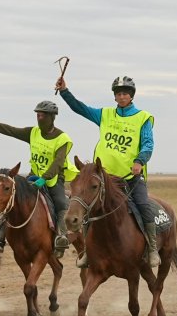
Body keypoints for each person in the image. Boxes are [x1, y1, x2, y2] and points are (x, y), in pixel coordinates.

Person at [55, 74, 157, 268]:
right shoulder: (105, 115)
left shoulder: (143, 118)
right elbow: (81, 109)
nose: (121, 96)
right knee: (88, 206)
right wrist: (64, 92)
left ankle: (151, 249)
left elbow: (148, 144)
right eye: (118, 93)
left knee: (143, 205)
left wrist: (139, 161)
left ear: (131, 95)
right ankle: (87, 252)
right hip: (105, 178)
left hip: (131, 177)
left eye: (125, 93)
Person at [0, 98, 77, 256]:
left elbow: (58, 163)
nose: (40, 118)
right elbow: (8, 130)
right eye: (38, 115)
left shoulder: (63, 139)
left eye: (43, 116)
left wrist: (44, 179)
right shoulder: (32, 132)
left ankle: (61, 238)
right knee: (13, 199)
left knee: (61, 203)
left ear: (52, 117)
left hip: (53, 179)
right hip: (34, 176)